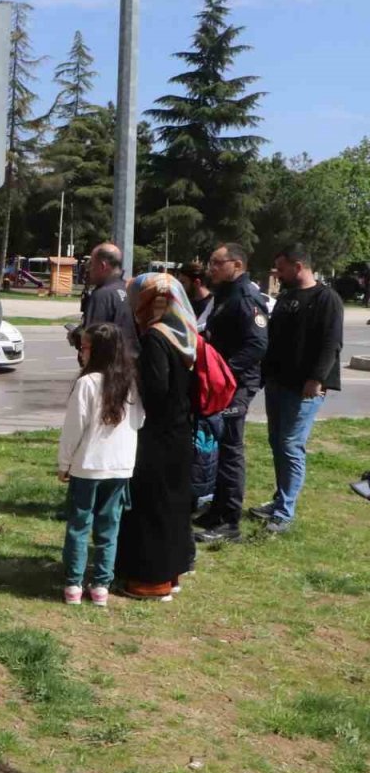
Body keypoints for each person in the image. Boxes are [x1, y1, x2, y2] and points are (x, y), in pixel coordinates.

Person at [115, 273, 197, 601]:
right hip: (179, 432)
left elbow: (156, 391)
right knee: (174, 506)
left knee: (153, 506)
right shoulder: (184, 335)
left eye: (138, 296)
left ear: (153, 301)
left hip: (158, 436)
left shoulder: (155, 338)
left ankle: (151, 581)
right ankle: (172, 572)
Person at [251, 244, 343, 534]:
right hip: (279, 383)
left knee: (291, 445)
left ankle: (285, 513)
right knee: (277, 442)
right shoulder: (288, 296)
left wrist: (316, 379)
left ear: (298, 266)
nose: (277, 274)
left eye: (281, 268)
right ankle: (280, 500)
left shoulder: (326, 298)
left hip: (305, 388)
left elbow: (331, 343)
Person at [57, 322, 144, 607]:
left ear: (97, 350)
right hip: (120, 465)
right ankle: (101, 587)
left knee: (79, 525)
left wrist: (64, 462)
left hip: (88, 464)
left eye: (84, 347)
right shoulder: (131, 381)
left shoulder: (86, 383)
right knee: (110, 527)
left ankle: (73, 585)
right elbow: (140, 421)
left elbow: (74, 428)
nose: (80, 352)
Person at [196, 243, 269, 544]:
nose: (211, 268)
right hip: (222, 383)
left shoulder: (247, 297)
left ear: (236, 265)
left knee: (230, 450)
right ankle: (217, 510)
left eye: (216, 262)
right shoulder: (225, 295)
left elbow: (256, 345)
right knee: (218, 444)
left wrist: (224, 370)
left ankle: (229, 521)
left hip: (237, 385)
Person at [69, 243, 138, 357]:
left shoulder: (102, 295)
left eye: (92, 265)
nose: (89, 270)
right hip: (131, 365)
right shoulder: (129, 290)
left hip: (109, 367)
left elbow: (92, 338)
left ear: (102, 266)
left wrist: (76, 336)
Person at [177, 262, 215, 333]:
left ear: (197, 283)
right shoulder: (182, 304)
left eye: (183, 282)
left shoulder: (214, 305)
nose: (180, 287)